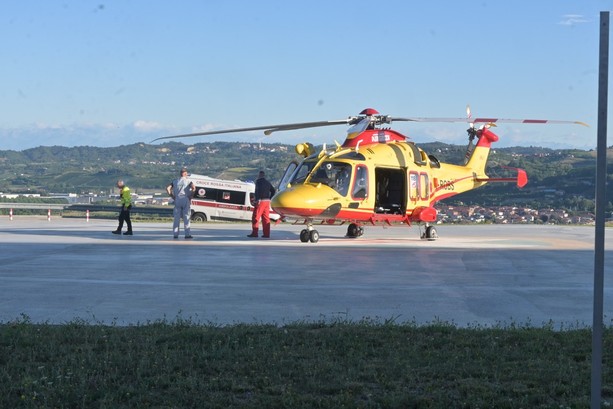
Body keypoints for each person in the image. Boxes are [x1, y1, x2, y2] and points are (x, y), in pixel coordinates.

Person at [167, 168, 195, 239]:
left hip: (177, 199)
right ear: (185, 173)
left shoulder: (175, 181)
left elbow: (168, 188)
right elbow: (194, 188)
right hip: (185, 199)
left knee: (176, 218)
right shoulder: (188, 181)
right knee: (186, 217)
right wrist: (191, 196)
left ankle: (175, 234)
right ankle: (187, 234)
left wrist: (172, 196)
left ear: (180, 173)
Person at [248, 170, 276, 238]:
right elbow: (273, 190)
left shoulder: (258, 182)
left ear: (259, 175)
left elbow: (257, 191)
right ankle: (266, 234)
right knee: (266, 218)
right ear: (264, 175)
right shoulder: (268, 182)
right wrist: (270, 198)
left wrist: (257, 200)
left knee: (256, 217)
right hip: (267, 201)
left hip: (261, 201)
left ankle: (255, 233)